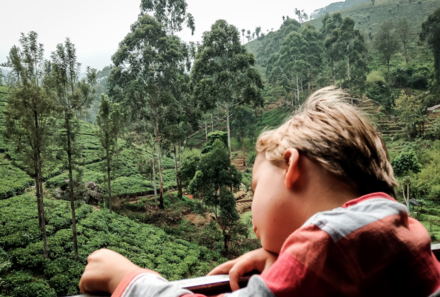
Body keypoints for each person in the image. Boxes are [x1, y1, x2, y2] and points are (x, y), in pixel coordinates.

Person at [79, 87, 440, 297]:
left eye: (254, 189)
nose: (251, 214)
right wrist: (287, 262)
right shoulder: (397, 229)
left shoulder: (328, 243)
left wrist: (129, 279)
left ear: (292, 167)